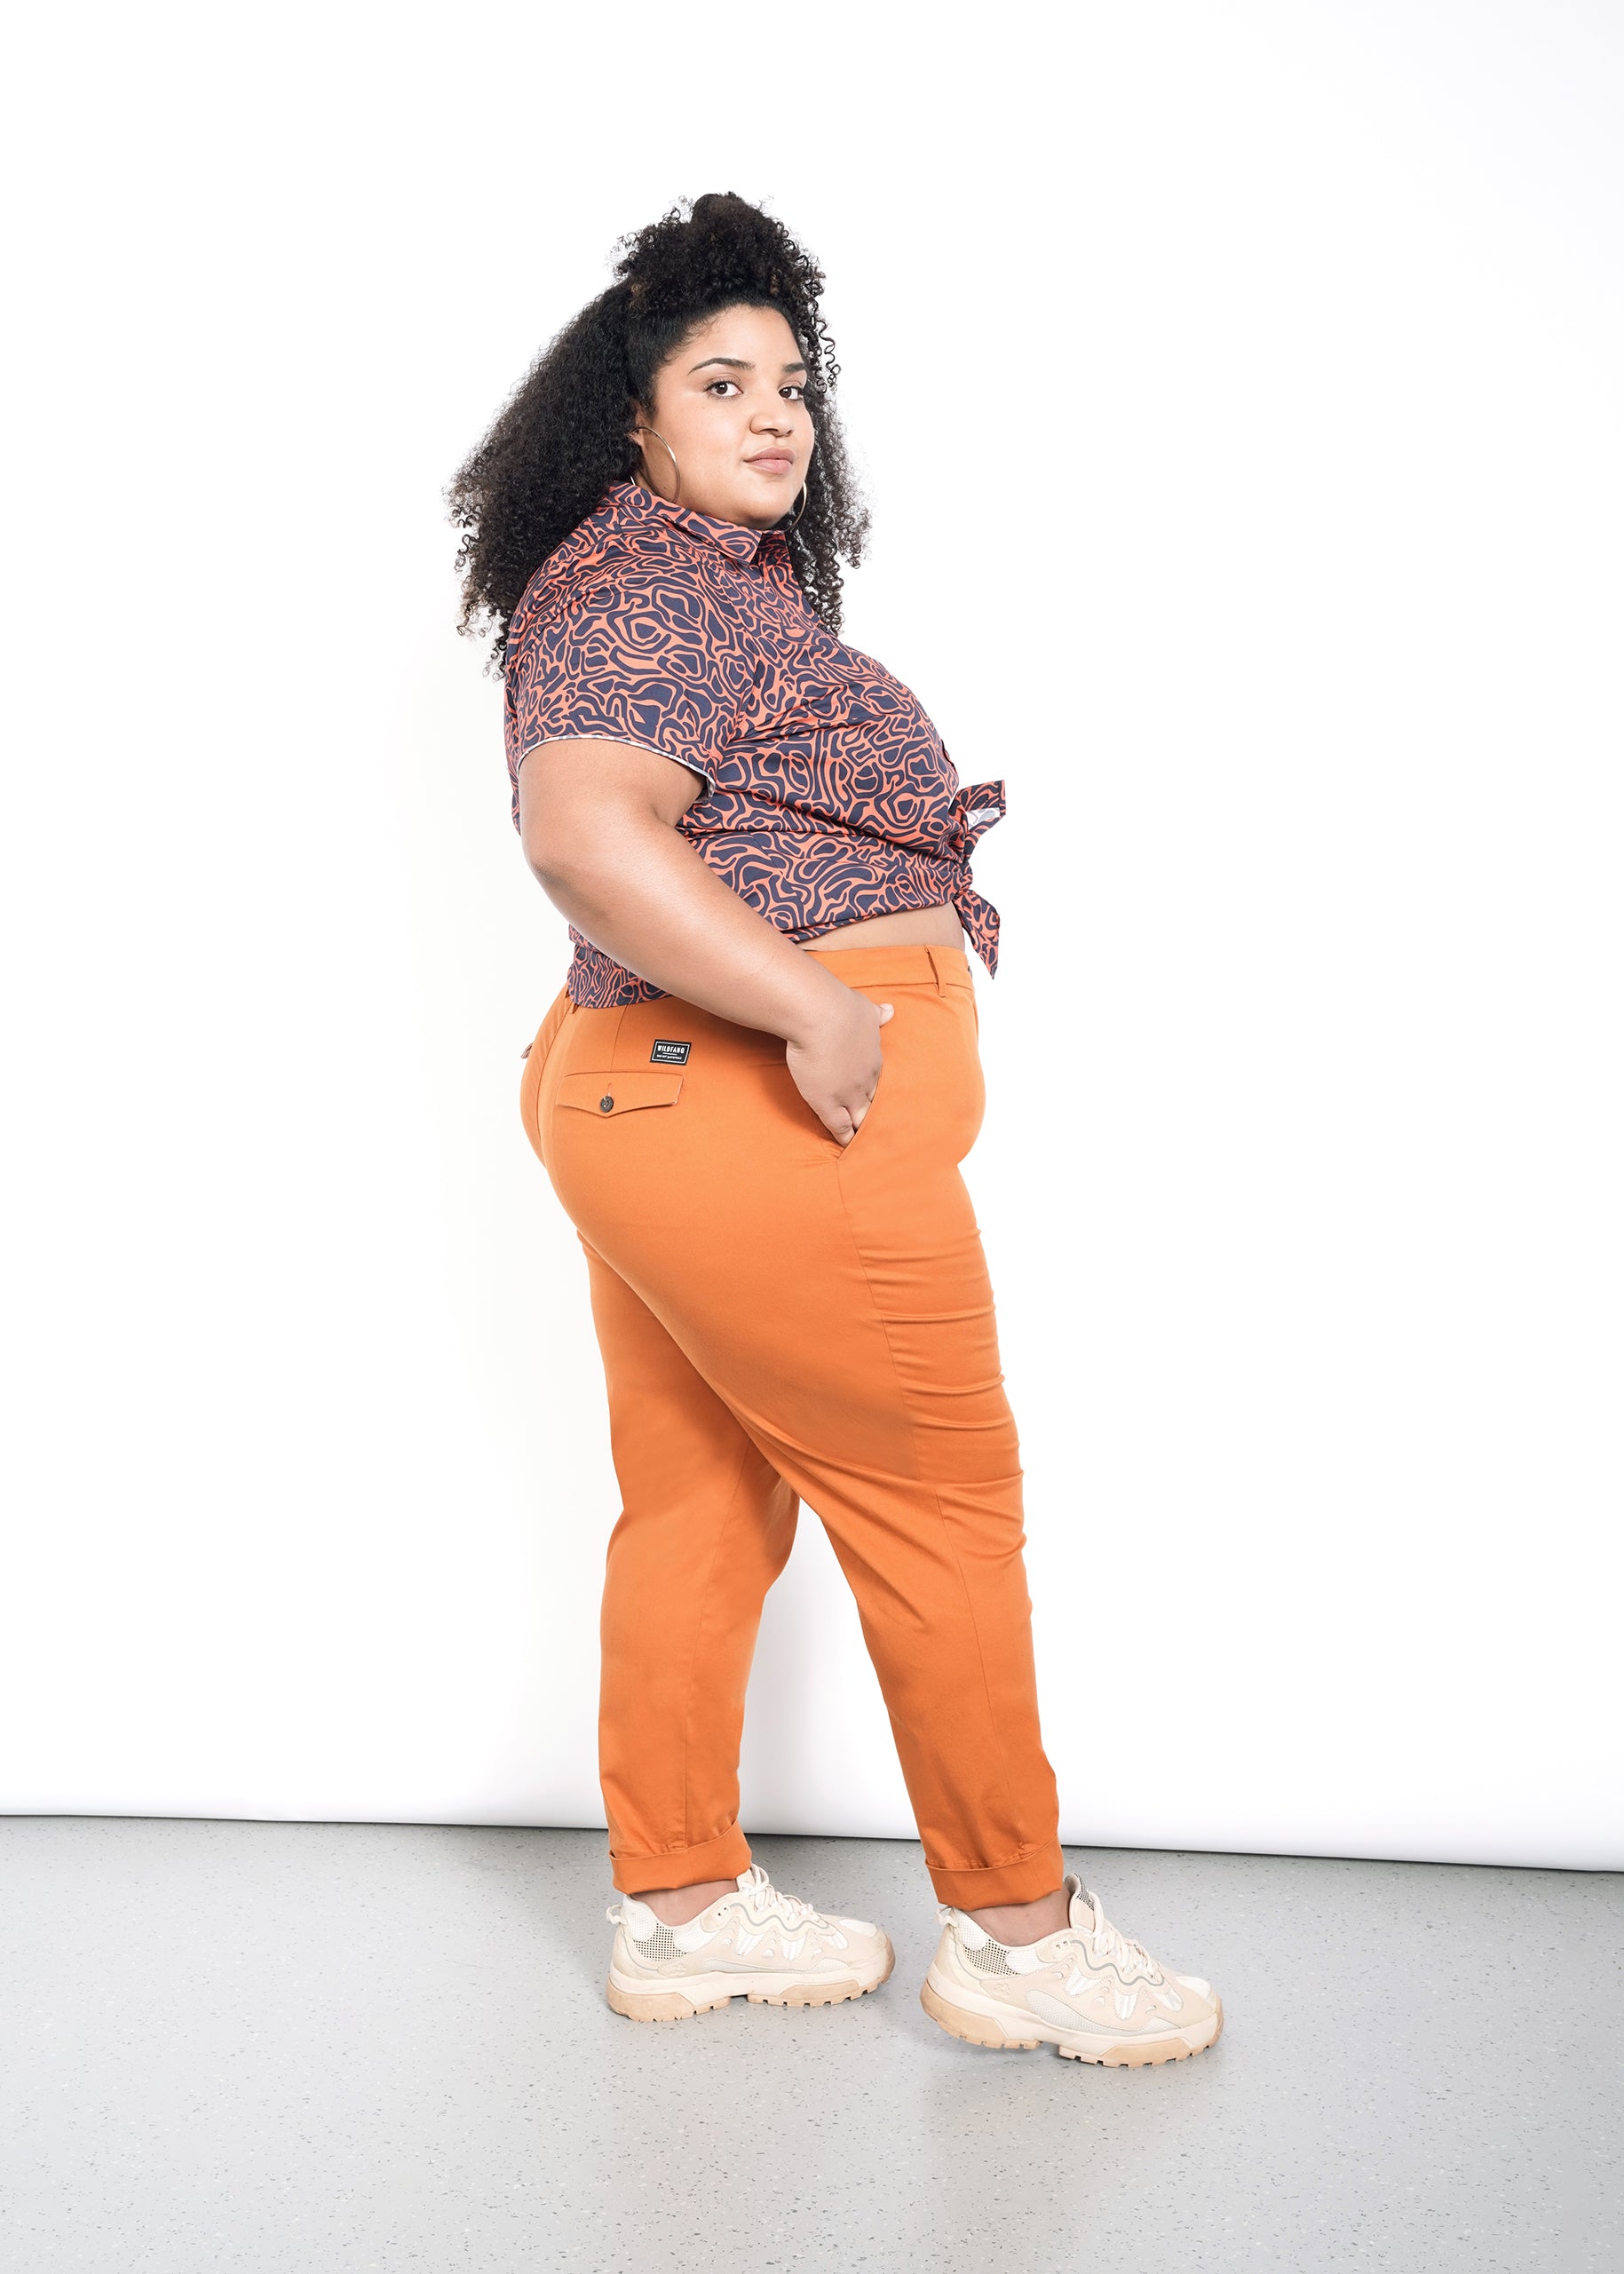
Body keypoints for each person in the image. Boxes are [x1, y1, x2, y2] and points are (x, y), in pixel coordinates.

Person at [449, 194, 1221, 2066]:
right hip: (736, 1095)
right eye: (723, 382)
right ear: (631, 415)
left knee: (706, 1496)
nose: (775, 413)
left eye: (793, 382)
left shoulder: (718, 588)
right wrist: (818, 1009)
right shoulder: (634, 592)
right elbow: (582, 832)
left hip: (659, 1092)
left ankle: (684, 1902)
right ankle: (1016, 1930)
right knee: (944, 1503)